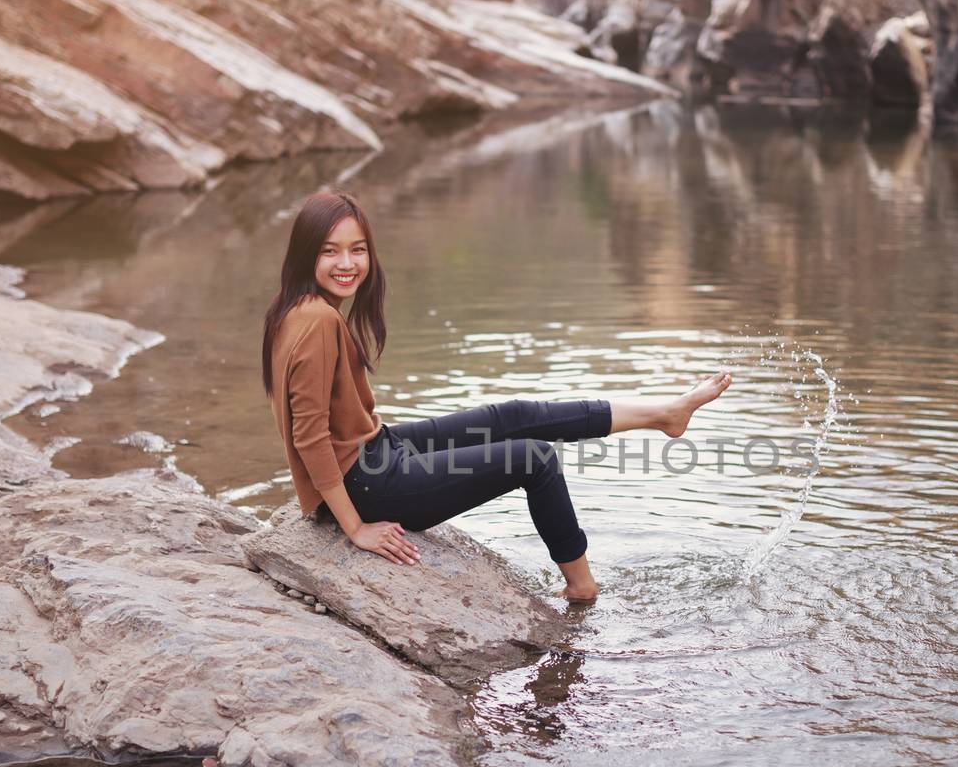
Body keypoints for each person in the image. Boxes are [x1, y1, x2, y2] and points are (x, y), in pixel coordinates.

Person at [262, 191, 731, 603]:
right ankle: (582, 589)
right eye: (331, 252)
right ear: (307, 255)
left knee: (512, 415)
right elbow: (309, 437)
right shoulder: (317, 322)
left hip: (377, 453)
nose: (347, 264)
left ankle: (665, 413)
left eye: (357, 250)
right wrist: (356, 527)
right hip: (367, 484)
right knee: (534, 459)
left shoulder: (299, 310)